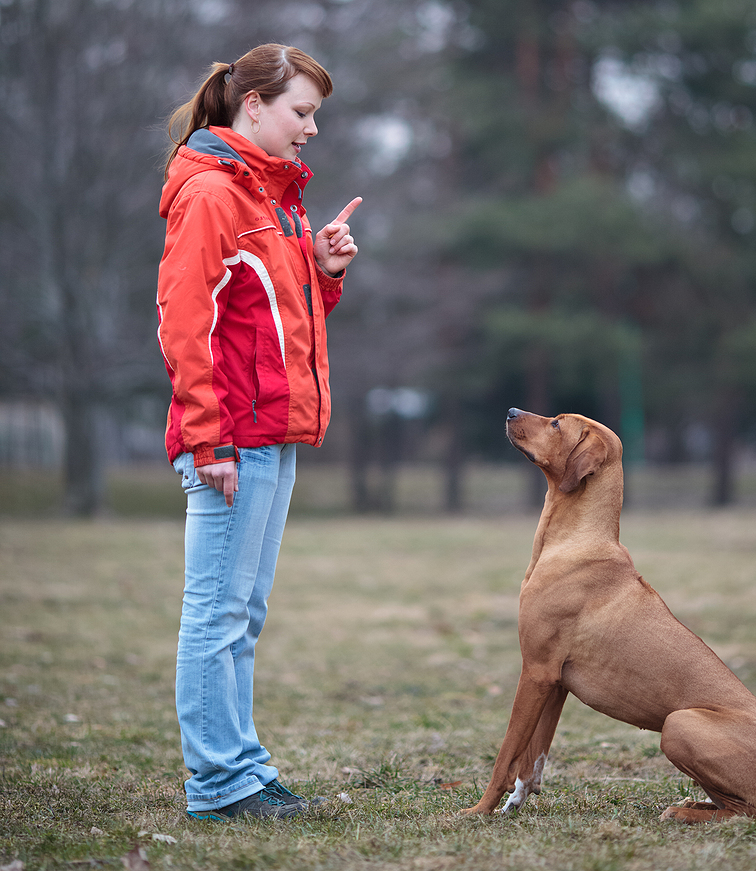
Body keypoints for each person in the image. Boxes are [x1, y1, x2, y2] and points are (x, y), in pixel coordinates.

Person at [156, 43, 361, 821]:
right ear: (254, 106)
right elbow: (185, 323)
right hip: (230, 441)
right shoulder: (212, 194)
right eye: (301, 112)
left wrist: (324, 269)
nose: (311, 130)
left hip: (269, 435)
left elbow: (276, 323)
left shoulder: (275, 198)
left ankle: (242, 765)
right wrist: (207, 442)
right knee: (215, 614)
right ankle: (218, 783)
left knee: (243, 614)